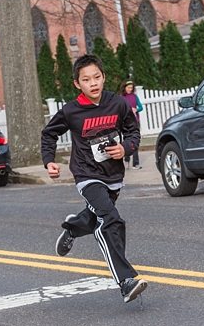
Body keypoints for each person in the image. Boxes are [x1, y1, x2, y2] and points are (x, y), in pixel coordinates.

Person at [41, 54, 147, 304]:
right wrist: (49, 161)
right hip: (86, 174)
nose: (93, 83)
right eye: (86, 79)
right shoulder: (71, 111)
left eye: (97, 77)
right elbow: (49, 134)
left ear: (104, 77)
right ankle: (126, 281)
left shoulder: (118, 104)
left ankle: (73, 227)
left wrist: (126, 148)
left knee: (97, 214)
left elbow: (133, 131)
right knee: (110, 219)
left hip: (113, 175)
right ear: (77, 84)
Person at [118, 81, 144, 169]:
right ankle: (126, 161)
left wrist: (136, 110)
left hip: (135, 121)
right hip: (125, 122)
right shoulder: (121, 98)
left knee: (135, 141)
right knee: (126, 141)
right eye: (128, 87)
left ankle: (135, 163)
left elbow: (140, 107)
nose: (130, 89)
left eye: (131, 88)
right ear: (124, 88)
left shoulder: (135, 97)